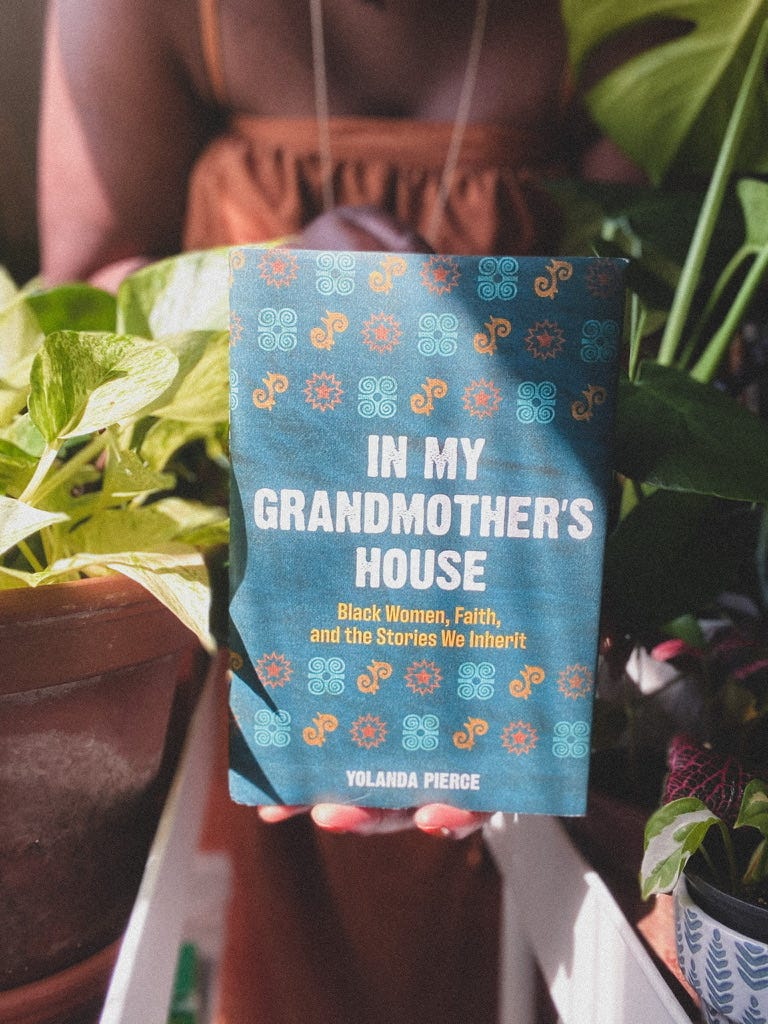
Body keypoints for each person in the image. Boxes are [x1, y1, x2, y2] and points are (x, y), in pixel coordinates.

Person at [37, 2, 645, 1020]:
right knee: (280, 973)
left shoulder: (628, 17)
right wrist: (278, 302)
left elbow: (649, 323)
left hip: (513, 622)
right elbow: (80, 307)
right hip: (251, 633)